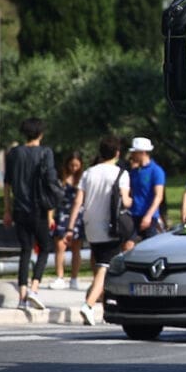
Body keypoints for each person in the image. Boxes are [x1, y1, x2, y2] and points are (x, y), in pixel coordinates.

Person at [67, 135, 131, 326]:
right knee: (104, 269)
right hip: (110, 227)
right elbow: (125, 200)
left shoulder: (88, 173)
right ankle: (88, 305)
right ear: (117, 153)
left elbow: (78, 201)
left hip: (91, 227)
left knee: (100, 266)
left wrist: (70, 227)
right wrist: (131, 203)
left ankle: (104, 309)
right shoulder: (121, 174)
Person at [2, 117, 57, 310]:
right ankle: (34, 288)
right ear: (41, 134)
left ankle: (22, 295)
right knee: (44, 248)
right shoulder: (45, 153)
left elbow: (7, 185)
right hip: (39, 210)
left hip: (19, 209)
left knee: (25, 250)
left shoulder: (14, 154)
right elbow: (49, 185)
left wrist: (7, 210)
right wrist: (51, 214)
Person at [48, 150, 85, 290]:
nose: (74, 168)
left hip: (78, 216)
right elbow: (53, 199)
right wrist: (50, 216)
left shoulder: (83, 180)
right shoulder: (60, 179)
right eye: (71, 165)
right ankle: (60, 276)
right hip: (62, 214)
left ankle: (74, 278)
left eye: (76, 165)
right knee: (60, 246)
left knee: (76, 247)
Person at [123, 136, 166, 252]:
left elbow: (158, 196)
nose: (132, 156)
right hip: (134, 214)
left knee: (150, 247)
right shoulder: (134, 172)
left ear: (142, 153)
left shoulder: (156, 171)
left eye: (134, 153)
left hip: (149, 216)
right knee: (128, 245)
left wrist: (148, 216)